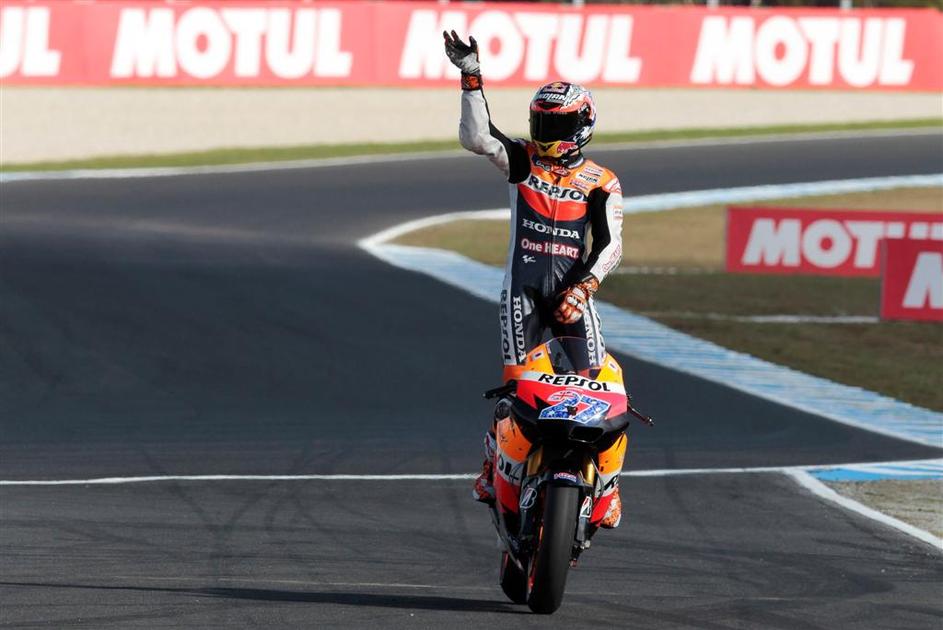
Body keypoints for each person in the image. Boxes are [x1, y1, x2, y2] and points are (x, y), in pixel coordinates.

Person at [443, 32, 626, 528]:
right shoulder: (523, 161)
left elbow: (610, 246)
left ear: (582, 127)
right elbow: (477, 139)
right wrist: (471, 76)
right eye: (541, 122)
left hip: (573, 297)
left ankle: (608, 490)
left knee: (599, 388)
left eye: (557, 124)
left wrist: (582, 290)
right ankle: (493, 468)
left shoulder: (602, 181)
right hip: (520, 293)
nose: (546, 132)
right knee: (513, 391)